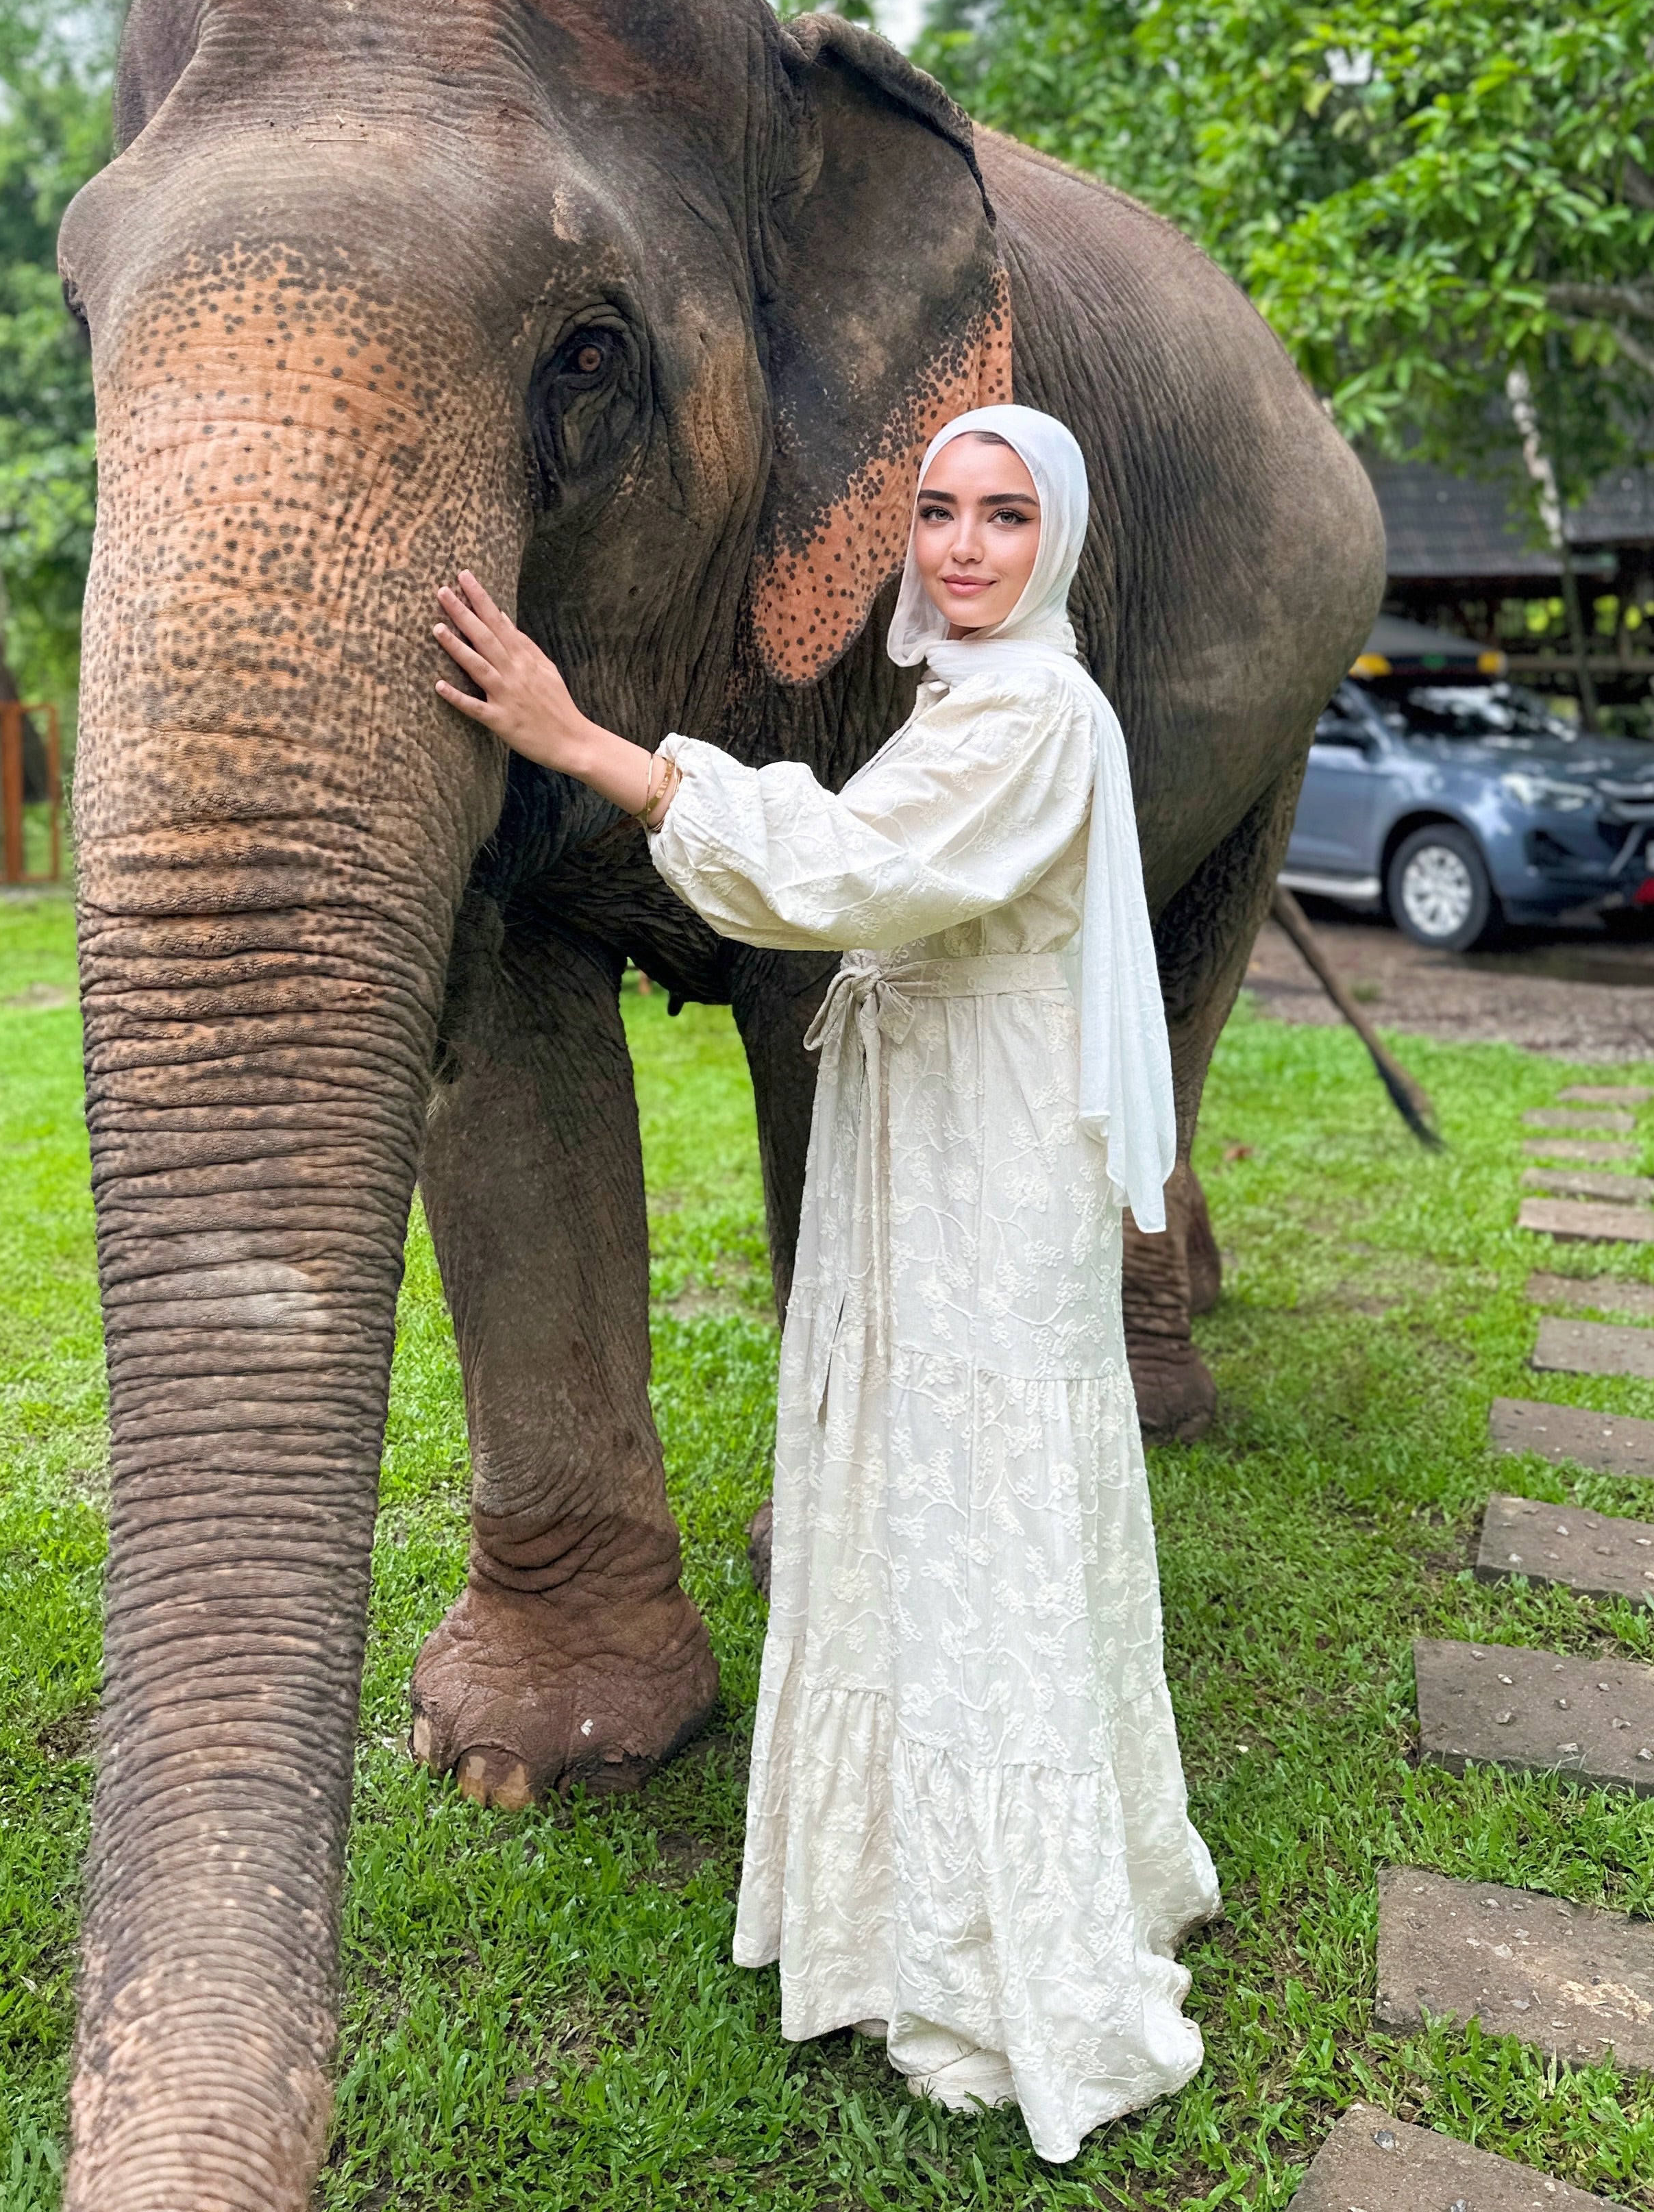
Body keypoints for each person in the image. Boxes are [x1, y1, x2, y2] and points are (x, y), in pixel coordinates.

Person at [431, 402, 1218, 2163]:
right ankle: (905, 1901)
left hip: (985, 1161)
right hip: (927, 1131)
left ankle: (1002, 1941)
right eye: (937, 511)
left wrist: (597, 747)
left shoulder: (1031, 711)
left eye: (1004, 518)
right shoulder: (973, 699)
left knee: (982, 1496)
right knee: (925, 1497)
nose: (961, 547)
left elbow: (847, 879)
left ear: (1058, 542)